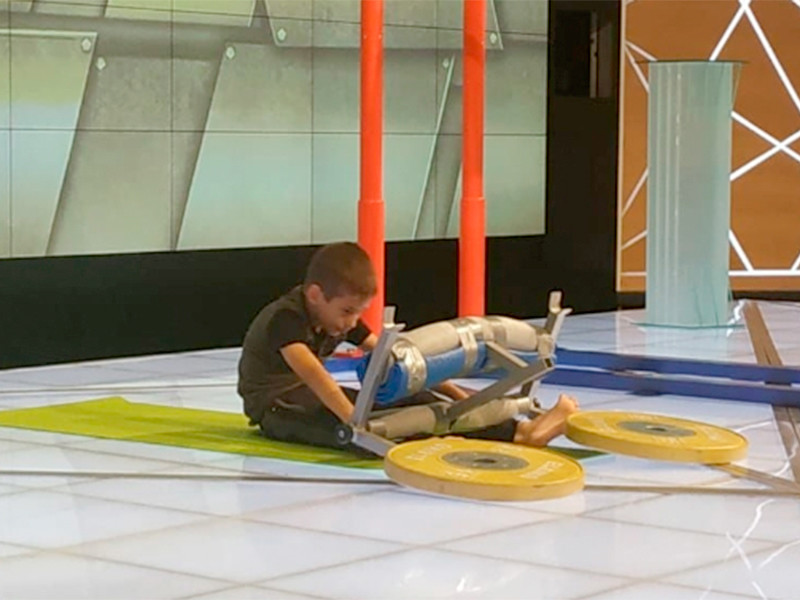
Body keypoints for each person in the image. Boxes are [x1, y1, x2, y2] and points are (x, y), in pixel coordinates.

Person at [237, 241, 578, 453]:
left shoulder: (338, 318)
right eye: (347, 311)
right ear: (315, 295)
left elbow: (398, 361)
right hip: (276, 407)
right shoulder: (286, 320)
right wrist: (356, 422)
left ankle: (521, 431)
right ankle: (458, 442)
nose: (352, 322)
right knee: (375, 429)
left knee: (413, 399)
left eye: (358, 313)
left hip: (307, 396)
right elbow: (317, 378)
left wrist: (458, 397)